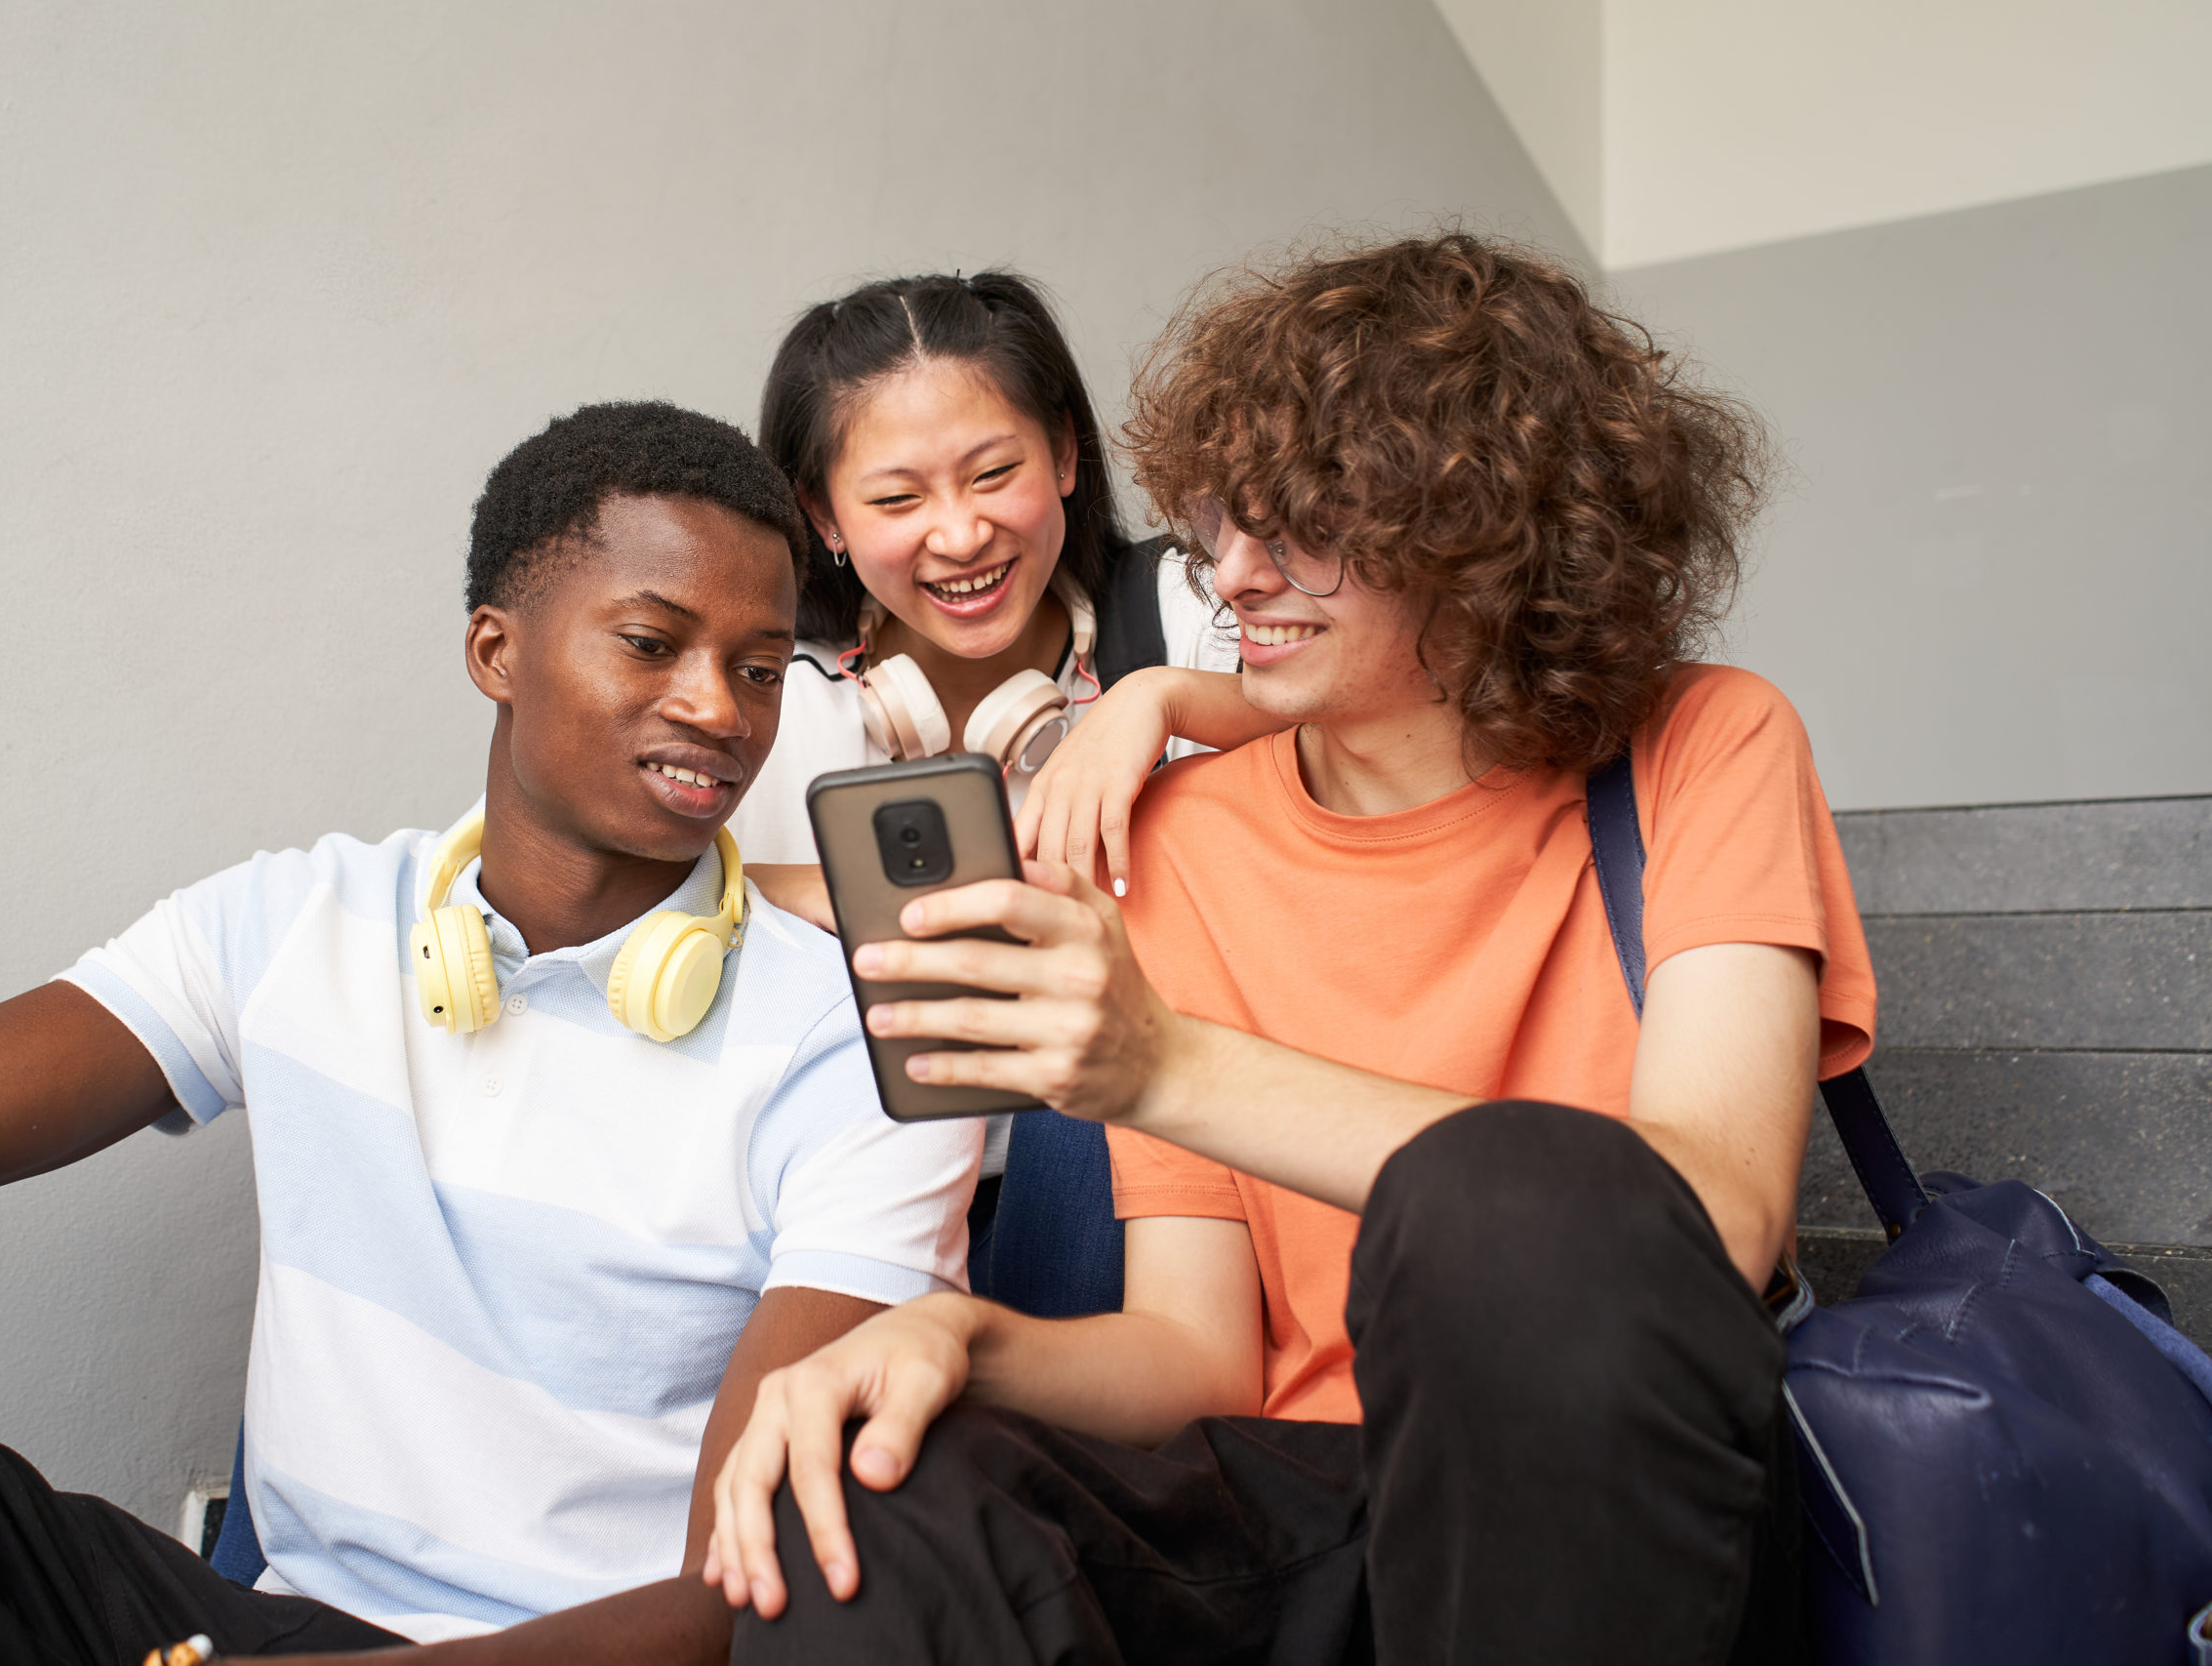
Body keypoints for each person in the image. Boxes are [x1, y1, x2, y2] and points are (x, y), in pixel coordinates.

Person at [701, 233, 1879, 1665]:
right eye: (1222, 522)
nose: (1235, 575)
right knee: (877, 1497)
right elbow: (1199, 1356)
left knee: (1508, 1194)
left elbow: (1714, 1213)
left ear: (1489, 528)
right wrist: (961, 1340)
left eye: (1305, 527)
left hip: (1598, 1490)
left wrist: (1166, 1062)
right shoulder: (1184, 831)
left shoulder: (1708, 740)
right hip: (1307, 1495)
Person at [0, 402, 981, 1664]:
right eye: (653, 642)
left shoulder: (864, 1049)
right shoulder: (290, 919)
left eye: (760, 666)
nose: (721, 707)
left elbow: (744, 1591)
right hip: (241, 1629)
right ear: (497, 649)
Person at [725, 272, 1239, 1290]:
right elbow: (615, 887)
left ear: (1063, 453)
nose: (958, 536)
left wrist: (1159, 703)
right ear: (820, 515)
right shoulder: (776, 704)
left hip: (1145, 1186)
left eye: (993, 471)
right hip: (864, 1204)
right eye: (895, 498)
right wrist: (798, 891)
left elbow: (1372, 714)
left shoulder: (1189, 615)